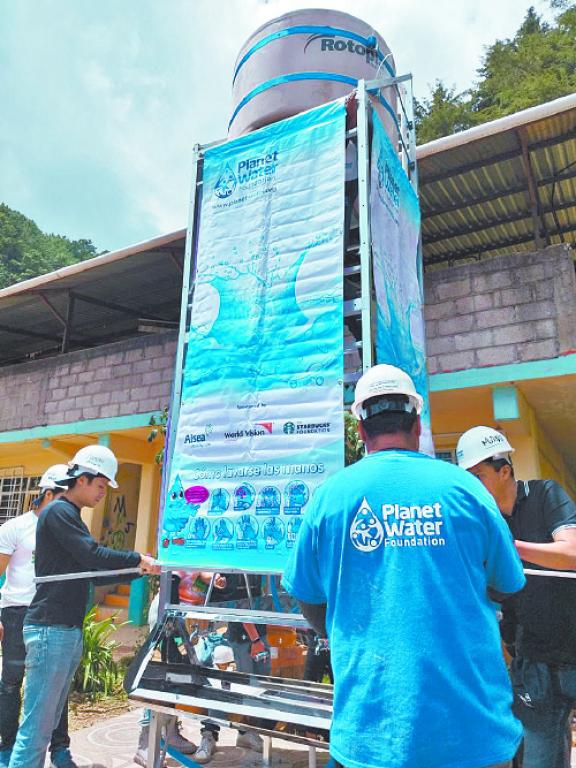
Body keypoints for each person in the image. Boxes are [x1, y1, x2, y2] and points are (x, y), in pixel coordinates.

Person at [282, 364, 526, 768]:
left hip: (370, 738)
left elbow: (309, 599)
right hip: (474, 737)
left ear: (360, 431)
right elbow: (506, 584)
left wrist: (360, 627)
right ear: (417, 422)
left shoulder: (328, 499)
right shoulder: (467, 489)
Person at [7, 445, 159, 768]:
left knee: (44, 727)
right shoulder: (60, 512)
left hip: (64, 629)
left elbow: (90, 569)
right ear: (83, 479)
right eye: (101, 485)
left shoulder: (69, 515)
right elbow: (93, 555)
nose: (103, 493)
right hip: (51, 629)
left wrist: (137, 569)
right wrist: (137, 560)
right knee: (35, 731)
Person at [457, 426, 576, 768]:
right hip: (533, 662)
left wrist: (509, 548)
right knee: (539, 759)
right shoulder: (482, 523)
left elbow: (571, 551)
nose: (472, 487)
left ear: (504, 470)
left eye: (478, 476)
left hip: (572, 649)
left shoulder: (545, 495)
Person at [0, 465, 77, 768]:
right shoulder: (15, 528)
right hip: (17, 612)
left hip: (52, 614)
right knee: (10, 683)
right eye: (63, 496)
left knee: (55, 685)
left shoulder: (68, 528)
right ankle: (7, 747)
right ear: (48, 494)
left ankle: (59, 749)